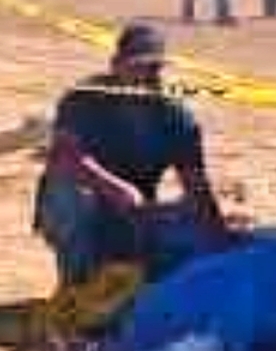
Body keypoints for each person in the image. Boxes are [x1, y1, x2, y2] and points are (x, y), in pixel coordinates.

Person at [33, 21, 234, 288]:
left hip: (138, 211)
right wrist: (116, 189)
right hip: (89, 203)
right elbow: (63, 157)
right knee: (72, 195)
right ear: (116, 65)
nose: (146, 76)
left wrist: (220, 240)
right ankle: (76, 286)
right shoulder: (83, 99)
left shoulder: (175, 116)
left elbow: (197, 185)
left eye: (154, 68)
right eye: (138, 66)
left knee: (191, 218)